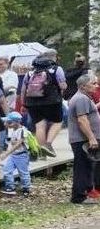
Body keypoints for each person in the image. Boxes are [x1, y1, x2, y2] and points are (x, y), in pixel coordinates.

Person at [20, 53, 66, 157]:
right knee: (57, 122)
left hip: (32, 102)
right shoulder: (56, 69)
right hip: (52, 101)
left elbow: (23, 90)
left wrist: (23, 104)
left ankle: (41, 152)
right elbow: (63, 86)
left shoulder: (30, 73)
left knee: (39, 125)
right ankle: (48, 144)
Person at [66, 73, 100, 203]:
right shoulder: (81, 99)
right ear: (83, 86)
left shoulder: (84, 98)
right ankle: (79, 196)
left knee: (88, 166)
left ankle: (87, 191)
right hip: (82, 139)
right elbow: (82, 120)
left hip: (84, 139)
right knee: (82, 167)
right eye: (93, 83)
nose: (96, 86)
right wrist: (91, 138)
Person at [0, 112, 32, 196]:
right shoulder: (12, 130)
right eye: (7, 122)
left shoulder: (22, 131)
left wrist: (6, 154)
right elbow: (11, 142)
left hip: (22, 155)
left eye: (10, 122)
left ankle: (26, 188)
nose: (7, 124)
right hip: (13, 155)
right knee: (7, 170)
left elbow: (18, 144)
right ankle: (10, 187)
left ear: (17, 122)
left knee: (23, 172)